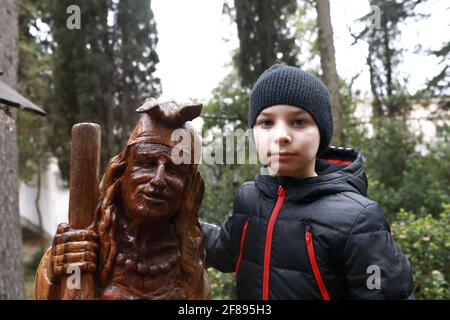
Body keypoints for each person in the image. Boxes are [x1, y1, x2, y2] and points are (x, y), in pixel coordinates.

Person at [200, 63, 414, 300]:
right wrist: (169, 221)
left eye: (299, 121)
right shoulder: (248, 199)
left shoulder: (359, 218)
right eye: (266, 123)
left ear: (321, 132)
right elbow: (224, 250)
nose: (281, 135)